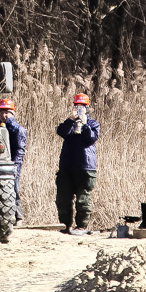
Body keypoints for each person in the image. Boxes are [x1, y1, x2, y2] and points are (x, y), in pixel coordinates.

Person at [55, 92, 99, 235]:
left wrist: (85, 124)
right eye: (77, 106)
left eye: (83, 107)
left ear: (88, 108)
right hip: (67, 166)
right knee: (63, 198)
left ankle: (81, 226)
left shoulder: (93, 124)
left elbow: (90, 139)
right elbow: (61, 132)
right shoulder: (69, 123)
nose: (80, 109)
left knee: (83, 199)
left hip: (85, 167)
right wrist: (70, 120)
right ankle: (66, 225)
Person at [0, 96, 27, 223]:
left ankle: (18, 216)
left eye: (7, 112)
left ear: (12, 113)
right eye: (1, 112)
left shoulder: (18, 129)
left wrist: (15, 165)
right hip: (0, 162)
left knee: (14, 187)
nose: (4, 115)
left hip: (13, 162)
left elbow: (20, 150)